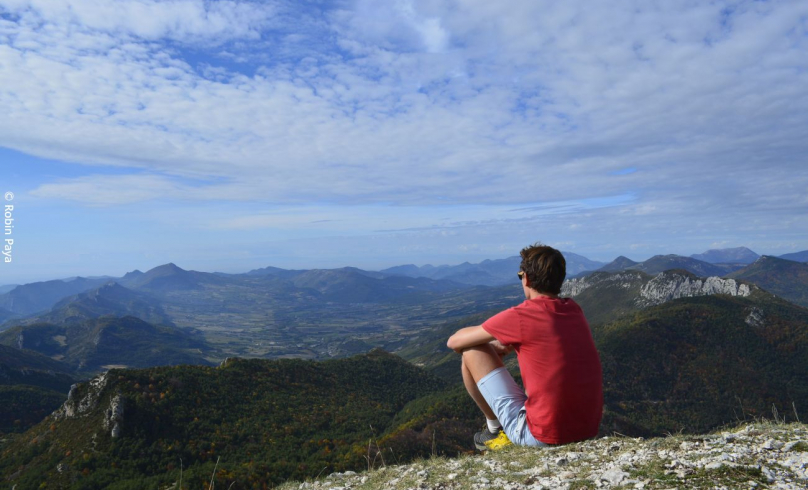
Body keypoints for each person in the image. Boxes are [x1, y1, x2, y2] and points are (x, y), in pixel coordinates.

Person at [446, 243, 603, 450]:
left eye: (520, 276)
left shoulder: (523, 314)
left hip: (540, 436)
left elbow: (454, 342)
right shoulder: (574, 309)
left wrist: (491, 344)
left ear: (526, 278)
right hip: (586, 431)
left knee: (472, 350)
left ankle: (494, 430)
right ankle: (497, 428)